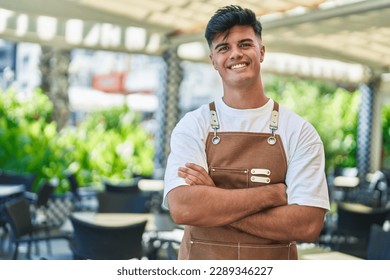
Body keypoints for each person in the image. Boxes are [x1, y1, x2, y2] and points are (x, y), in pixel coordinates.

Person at [162, 5, 330, 260]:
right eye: (223, 48)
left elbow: (306, 225)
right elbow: (184, 208)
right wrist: (271, 194)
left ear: (261, 52)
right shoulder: (193, 125)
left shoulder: (299, 132)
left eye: (245, 44)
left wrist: (213, 203)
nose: (235, 54)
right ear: (213, 61)